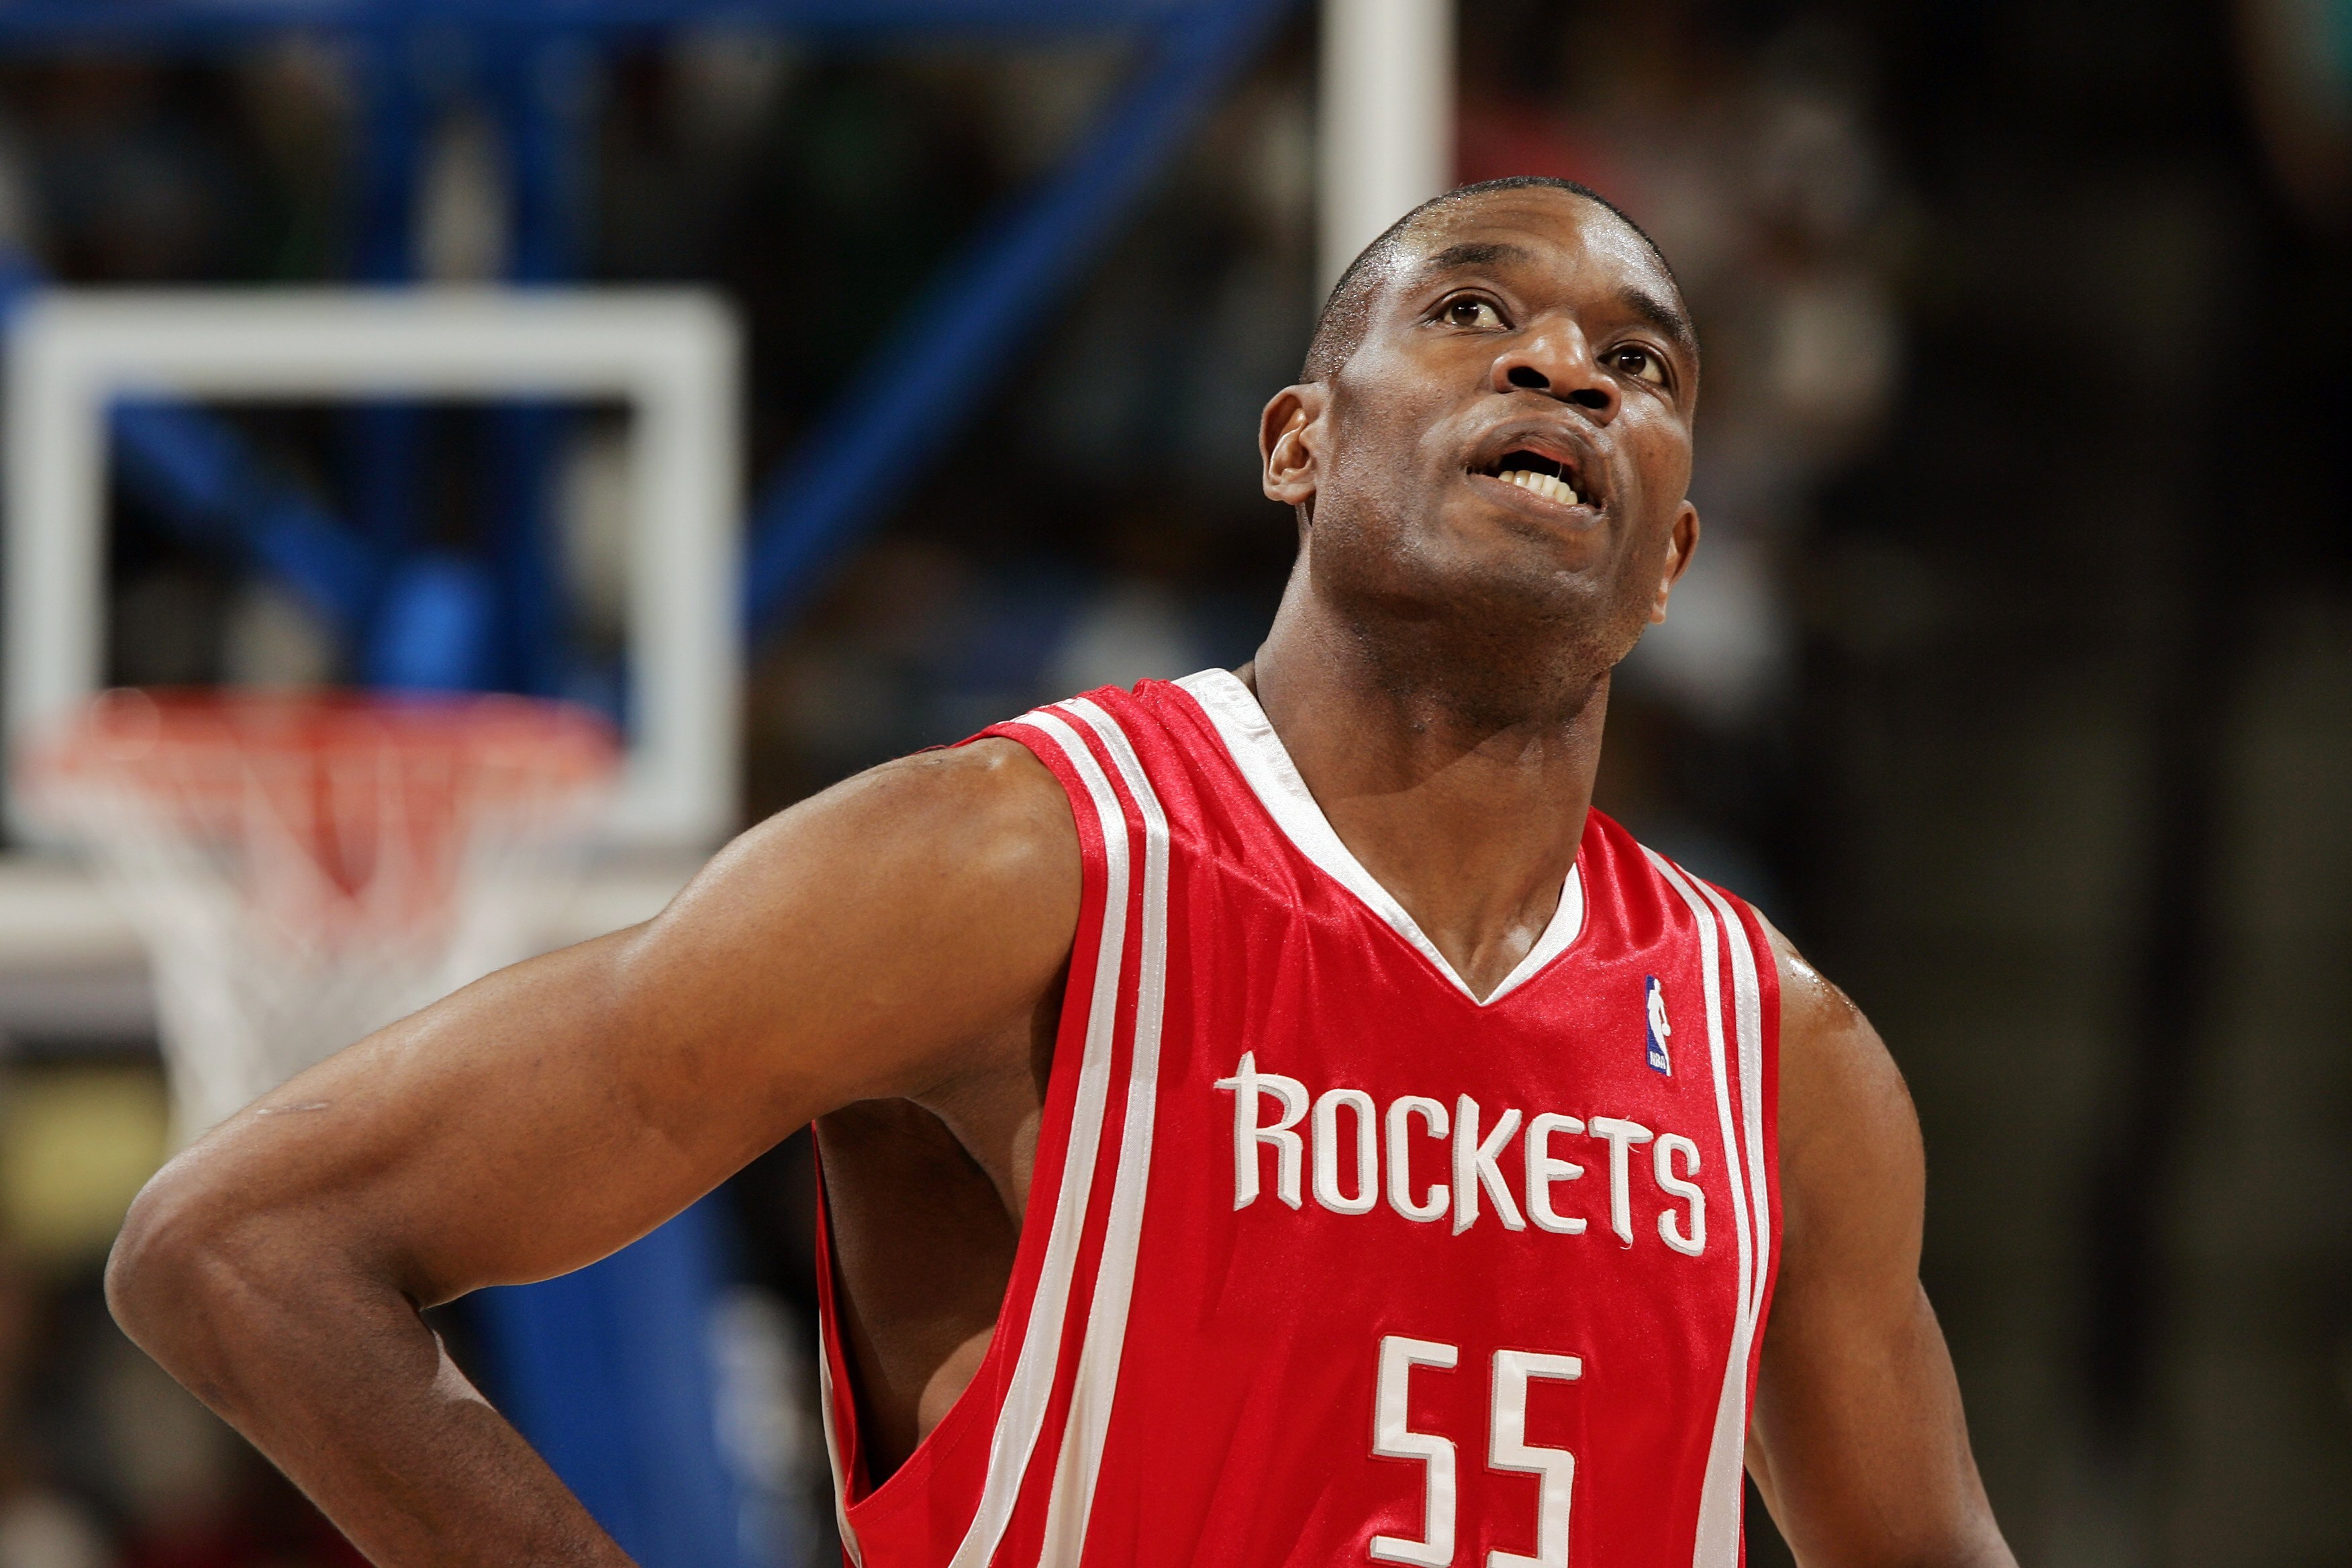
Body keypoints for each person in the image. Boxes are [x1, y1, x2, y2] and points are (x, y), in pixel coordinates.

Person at [105, 177, 2016, 1568]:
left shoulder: (1780, 1059)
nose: (1564, 367)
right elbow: (246, 1249)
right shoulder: (1017, 867)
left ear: (1677, 555)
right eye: (1467, 313)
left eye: (1639, 363)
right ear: (1297, 443)